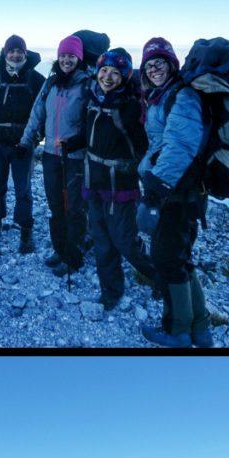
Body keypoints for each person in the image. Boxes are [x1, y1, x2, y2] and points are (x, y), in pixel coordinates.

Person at [137, 37, 214, 347]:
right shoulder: (164, 95)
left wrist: (156, 190)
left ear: (172, 64)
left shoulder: (181, 96)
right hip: (184, 191)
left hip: (177, 193)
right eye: (150, 64)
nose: (155, 69)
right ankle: (200, 329)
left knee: (166, 259)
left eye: (160, 63)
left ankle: (177, 331)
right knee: (181, 257)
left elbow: (179, 145)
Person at [78, 48, 156, 310]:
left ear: (124, 76)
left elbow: (143, 146)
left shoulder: (131, 106)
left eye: (115, 72)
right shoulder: (92, 99)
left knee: (125, 241)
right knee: (101, 237)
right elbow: (88, 135)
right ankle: (111, 291)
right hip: (94, 179)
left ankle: (159, 277)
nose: (108, 76)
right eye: (103, 70)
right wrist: (69, 144)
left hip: (120, 184)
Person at [19, 35, 91, 277]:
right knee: (55, 206)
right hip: (51, 154)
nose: (66, 60)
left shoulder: (87, 85)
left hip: (75, 157)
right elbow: (37, 113)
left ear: (79, 58)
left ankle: (74, 256)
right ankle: (60, 250)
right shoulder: (50, 83)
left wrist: (78, 143)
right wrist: (26, 141)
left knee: (74, 208)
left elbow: (92, 123)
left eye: (71, 56)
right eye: (63, 55)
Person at [0, 34, 45, 253]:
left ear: (25, 52)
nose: (15, 54)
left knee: (23, 189)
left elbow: (44, 112)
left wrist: (36, 137)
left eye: (19, 51)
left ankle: (25, 229)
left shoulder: (35, 79)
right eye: (11, 51)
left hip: (23, 145)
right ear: (5, 53)